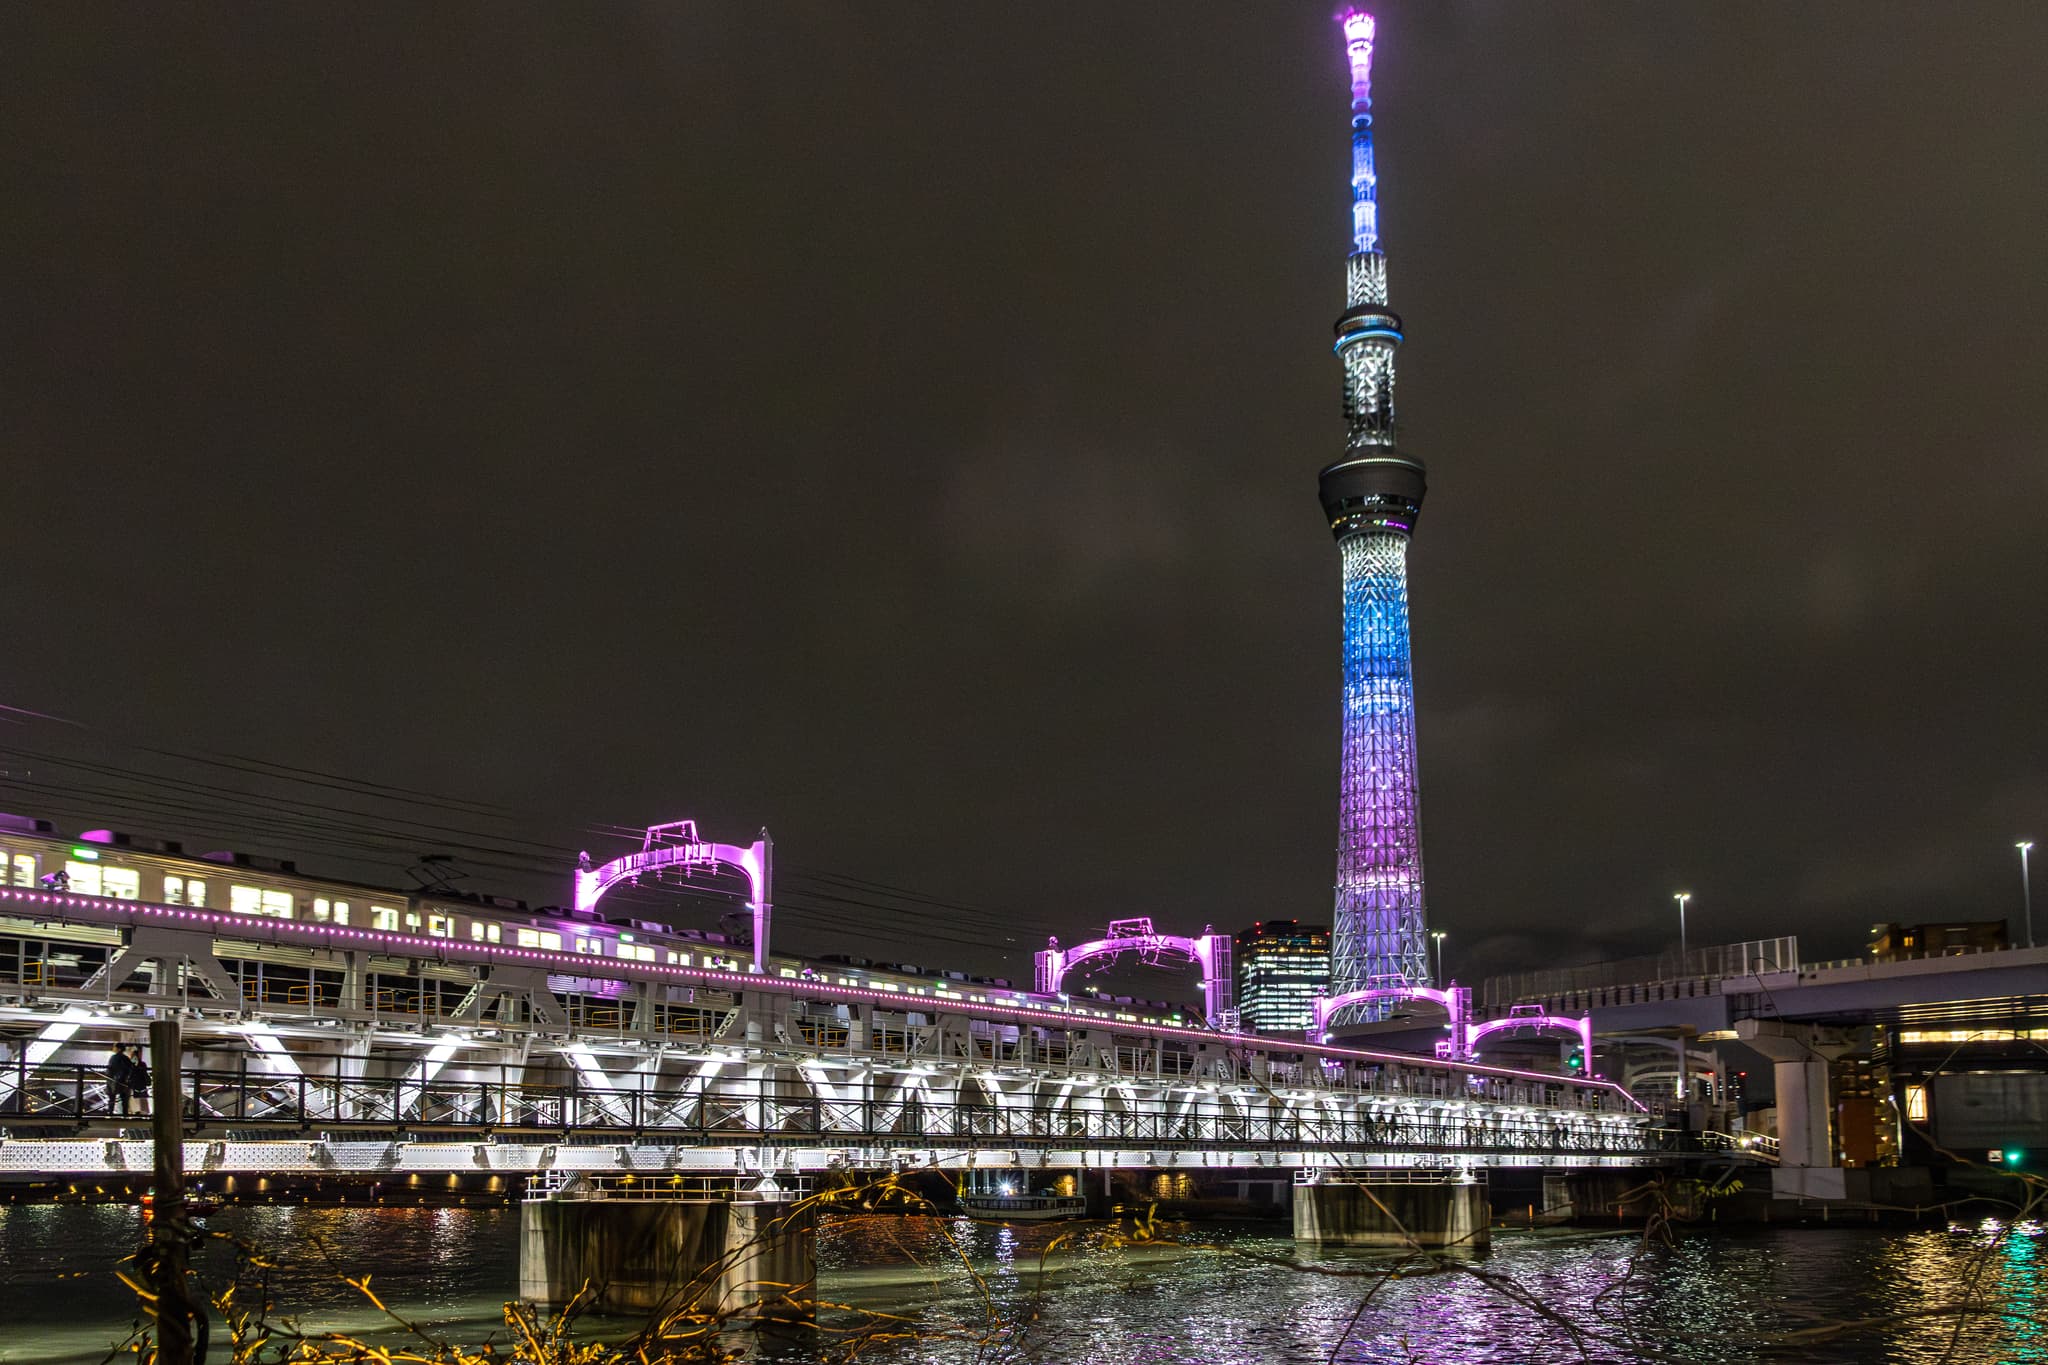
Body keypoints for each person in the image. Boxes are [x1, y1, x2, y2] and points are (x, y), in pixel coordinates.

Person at [105, 1044, 136, 1117]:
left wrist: (109, 1076)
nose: (113, 1049)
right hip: (123, 1080)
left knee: (112, 1097)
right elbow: (130, 1068)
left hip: (113, 1079)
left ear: (118, 1049)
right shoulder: (125, 1058)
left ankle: (110, 1112)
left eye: (115, 1047)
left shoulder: (114, 1057)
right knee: (124, 1099)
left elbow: (110, 1069)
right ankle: (125, 1113)